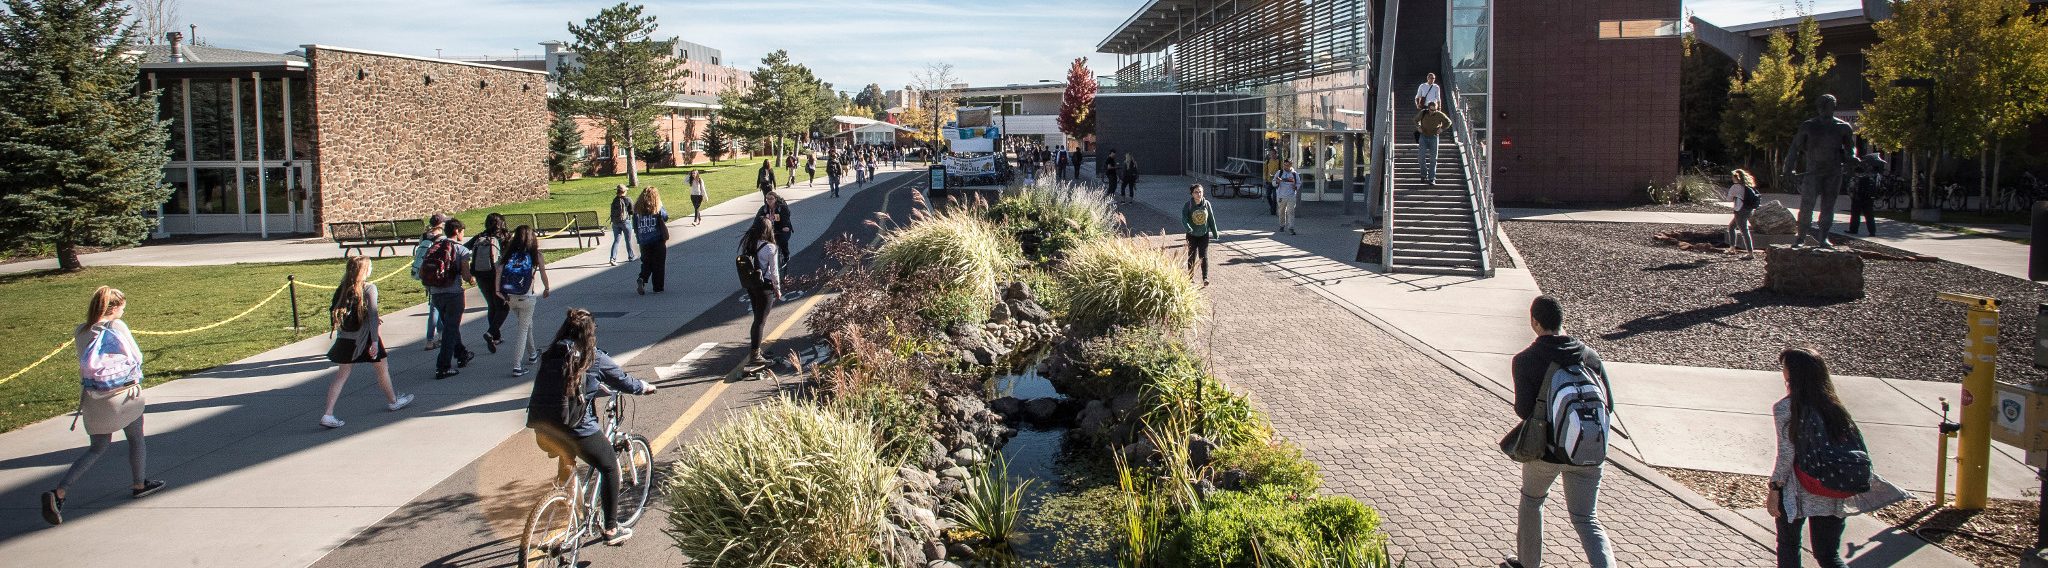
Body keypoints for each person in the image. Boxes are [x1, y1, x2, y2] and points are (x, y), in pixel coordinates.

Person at [525, 308, 657, 547]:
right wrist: (644, 387)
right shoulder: (591, 356)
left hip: (543, 429)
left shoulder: (552, 353)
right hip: (576, 429)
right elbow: (623, 381)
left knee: (567, 456)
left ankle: (565, 504)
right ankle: (610, 529)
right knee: (609, 467)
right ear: (589, 333)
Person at [1769, 347, 1908, 568]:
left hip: (1798, 489)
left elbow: (1786, 455)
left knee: (1788, 546)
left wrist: (1775, 489)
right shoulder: (1834, 406)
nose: (1782, 371)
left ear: (1793, 373)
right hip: (1834, 485)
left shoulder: (1786, 408)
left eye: (1784, 367)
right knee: (1828, 556)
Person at [42, 287, 165, 525]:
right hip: (124, 393)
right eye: (122, 306)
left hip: (93, 397)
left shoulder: (81, 330)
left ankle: (60, 492)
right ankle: (139, 484)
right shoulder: (117, 327)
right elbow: (136, 356)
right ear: (114, 307)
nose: (124, 310)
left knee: (97, 447)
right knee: (136, 438)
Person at [1506, 296, 1613, 568]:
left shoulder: (1525, 360)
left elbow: (1523, 410)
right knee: (1586, 518)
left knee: (1532, 501)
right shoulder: (1590, 356)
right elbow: (1609, 403)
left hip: (1546, 451)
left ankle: (1528, 564)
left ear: (1534, 322)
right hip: (1589, 451)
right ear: (1561, 321)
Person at [319, 256, 415, 429]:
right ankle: (393, 401)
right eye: (369, 267)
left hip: (346, 338)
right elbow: (372, 315)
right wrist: (375, 342)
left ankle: (328, 413)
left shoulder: (342, 288)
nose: (371, 269)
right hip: (365, 338)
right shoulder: (369, 288)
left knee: (341, 375)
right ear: (364, 271)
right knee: (382, 368)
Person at [498, 225, 553, 376]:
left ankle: (533, 353)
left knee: (527, 324)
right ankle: (517, 366)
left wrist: (498, 292)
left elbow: (499, 271)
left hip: (510, 297)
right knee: (523, 329)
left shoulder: (509, 255)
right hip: (527, 297)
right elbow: (543, 274)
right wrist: (547, 288)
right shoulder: (535, 255)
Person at [425, 219, 476, 379]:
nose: (463, 235)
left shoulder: (434, 246)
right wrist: (472, 279)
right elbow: (466, 274)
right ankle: (443, 366)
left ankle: (461, 354)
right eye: (462, 232)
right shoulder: (460, 250)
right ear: (457, 232)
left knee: (449, 325)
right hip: (453, 294)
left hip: (436, 293)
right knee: (450, 329)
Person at [740, 221, 783, 365]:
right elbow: (774, 271)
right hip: (765, 286)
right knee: (760, 321)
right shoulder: (771, 248)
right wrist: (777, 289)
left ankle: (755, 350)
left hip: (752, 285)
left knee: (757, 319)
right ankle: (755, 354)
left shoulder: (750, 244)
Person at [466, 213, 509, 354]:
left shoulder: (480, 237)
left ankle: (496, 336)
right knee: (503, 306)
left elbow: (465, 248)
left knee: (491, 304)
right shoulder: (504, 236)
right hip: (498, 275)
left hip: (481, 275)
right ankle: (491, 333)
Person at [411, 214, 448, 350]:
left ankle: (437, 336)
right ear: (440, 224)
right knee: (435, 308)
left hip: (424, 273)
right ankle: (431, 339)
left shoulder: (424, 236)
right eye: (443, 223)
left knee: (434, 304)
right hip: (437, 274)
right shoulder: (442, 238)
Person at [633, 187, 670, 295]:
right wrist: (661, 206)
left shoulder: (637, 209)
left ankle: (642, 278)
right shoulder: (657, 207)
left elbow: (634, 225)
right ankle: (658, 287)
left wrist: (639, 236)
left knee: (646, 262)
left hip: (644, 240)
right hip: (657, 239)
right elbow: (665, 217)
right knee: (658, 264)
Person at [1183, 184, 1218, 286]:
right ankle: (1190, 277)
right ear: (1192, 194)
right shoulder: (1188, 205)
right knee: (1192, 256)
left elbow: (1211, 219)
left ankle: (1205, 278)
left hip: (1204, 234)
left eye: (1200, 192)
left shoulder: (1207, 204)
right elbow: (1184, 218)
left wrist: (1215, 232)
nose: (1198, 194)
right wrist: (1188, 228)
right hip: (1192, 235)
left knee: (1203, 256)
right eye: (1196, 192)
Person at [1844, 153, 1886, 237]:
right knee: (1869, 215)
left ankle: (1853, 229)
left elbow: (1853, 184)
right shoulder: (1876, 174)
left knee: (1855, 214)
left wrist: (1852, 195)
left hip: (1858, 196)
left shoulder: (1861, 171)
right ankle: (1872, 231)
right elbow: (1878, 186)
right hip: (1869, 197)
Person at [757, 191, 794, 279]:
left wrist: (785, 226)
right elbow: (758, 219)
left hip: (781, 230)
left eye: (771, 198)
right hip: (769, 231)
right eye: (767, 199)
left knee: (781, 240)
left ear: (775, 199)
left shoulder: (782, 208)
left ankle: (785, 254)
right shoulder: (764, 209)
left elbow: (785, 219)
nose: (769, 200)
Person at [1727, 169, 1760, 259]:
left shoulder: (1735, 187)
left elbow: (1729, 199)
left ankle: (1750, 253)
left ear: (1736, 177)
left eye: (1733, 176)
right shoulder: (1747, 186)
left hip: (1740, 210)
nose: (1732, 178)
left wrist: (1734, 196)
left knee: (1744, 231)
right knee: (1731, 227)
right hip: (1748, 210)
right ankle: (1732, 247)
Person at [1417, 102, 1452, 186]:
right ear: (1428, 108)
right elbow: (1415, 120)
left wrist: (1442, 128)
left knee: (1433, 159)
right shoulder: (1423, 112)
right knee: (1421, 157)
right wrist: (1418, 127)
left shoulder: (1439, 114)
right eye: (1431, 109)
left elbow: (1448, 122)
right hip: (1424, 136)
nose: (1433, 111)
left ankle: (1432, 178)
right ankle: (1423, 174)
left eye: (1435, 109)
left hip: (1434, 137)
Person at [607, 185, 635, 265]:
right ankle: (631, 256)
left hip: (615, 223)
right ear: (624, 191)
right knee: (628, 240)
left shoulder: (615, 200)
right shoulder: (628, 199)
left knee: (616, 240)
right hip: (625, 222)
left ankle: (612, 258)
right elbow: (632, 211)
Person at [1272, 160, 1301, 235]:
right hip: (1281, 196)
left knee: (1290, 212)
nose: (1285, 167)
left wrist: (1296, 187)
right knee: (1281, 211)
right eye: (1284, 165)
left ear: (1291, 165)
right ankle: (1282, 225)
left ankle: (1291, 228)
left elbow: (1298, 183)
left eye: (1287, 165)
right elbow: (1273, 182)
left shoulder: (1294, 174)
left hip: (1291, 196)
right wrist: (1277, 182)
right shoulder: (1279, 172)